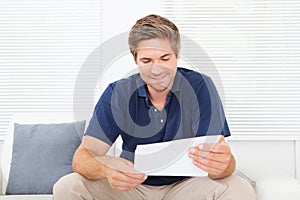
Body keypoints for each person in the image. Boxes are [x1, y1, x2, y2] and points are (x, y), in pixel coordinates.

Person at [53, 14, 255, 200]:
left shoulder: (201, 86)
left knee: (239, 188)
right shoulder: (118, 93)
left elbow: (222, 162)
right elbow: (82, 158)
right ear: (135, 59)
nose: (156, 69)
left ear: (176, 56)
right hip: (132, 187)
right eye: (147, 60)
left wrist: (224, 164)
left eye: (164, 58)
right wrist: (106, 169)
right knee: (68, 186)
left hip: (186, 187)